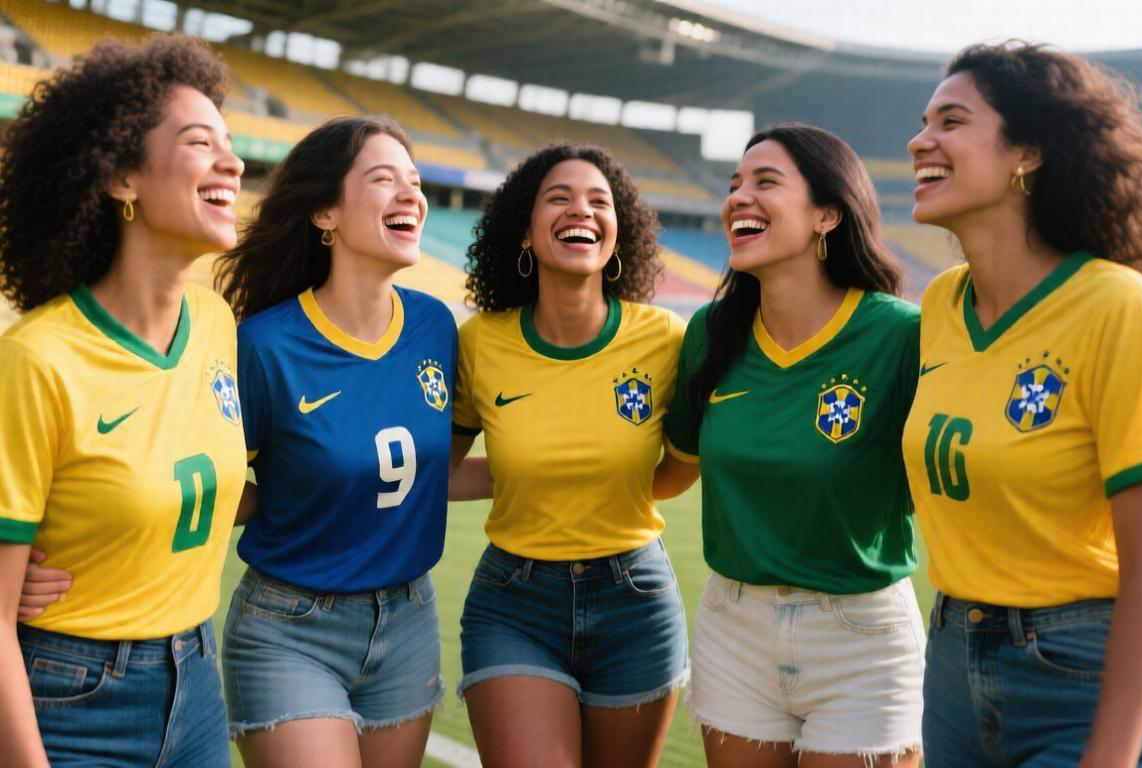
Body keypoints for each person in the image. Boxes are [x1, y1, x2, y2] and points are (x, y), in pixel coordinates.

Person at [903, 42, 1142, 766]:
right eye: (924, 122)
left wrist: (1111, 754)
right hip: (949, 663)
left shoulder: (1119, 307)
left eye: (951, 121)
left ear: (1028, 153)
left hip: (1076, 672)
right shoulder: (941, 304)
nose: (920, 140)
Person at [212, 115, 489, 768]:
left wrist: (577, 469)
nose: (410, 194)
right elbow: (211, 481)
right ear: (325, 214)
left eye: (415, 181)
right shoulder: (265, 346)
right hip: (288, 629)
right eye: (384, 179)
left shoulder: (436, 327)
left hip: (410, 621)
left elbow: (432, 474)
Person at [0, 36, 245, 766]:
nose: (233, 163)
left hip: (199, 686)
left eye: (231, 144)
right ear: (120, 177)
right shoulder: (38, 359)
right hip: (70, 699)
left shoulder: (216, 324)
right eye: (201, 142)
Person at [658, 123, 924, 767]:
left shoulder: (900, 335)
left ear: (827, 215)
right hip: (734, 627)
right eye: (734, 185)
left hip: (862, 637)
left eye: (766, 182)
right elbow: (671, 472)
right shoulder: (709, 333)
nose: (738, 198)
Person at [451, 142, 687, 768]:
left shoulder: (665, 339)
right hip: (514, 603)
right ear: (525, 233)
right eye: (559, 198)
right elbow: (441, 472)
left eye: (598, 202)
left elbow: (678, 469)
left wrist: (595, 480)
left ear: (618, 234)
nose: (581, 210)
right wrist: (534, 474)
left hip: (636, 601)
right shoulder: (479, 343)